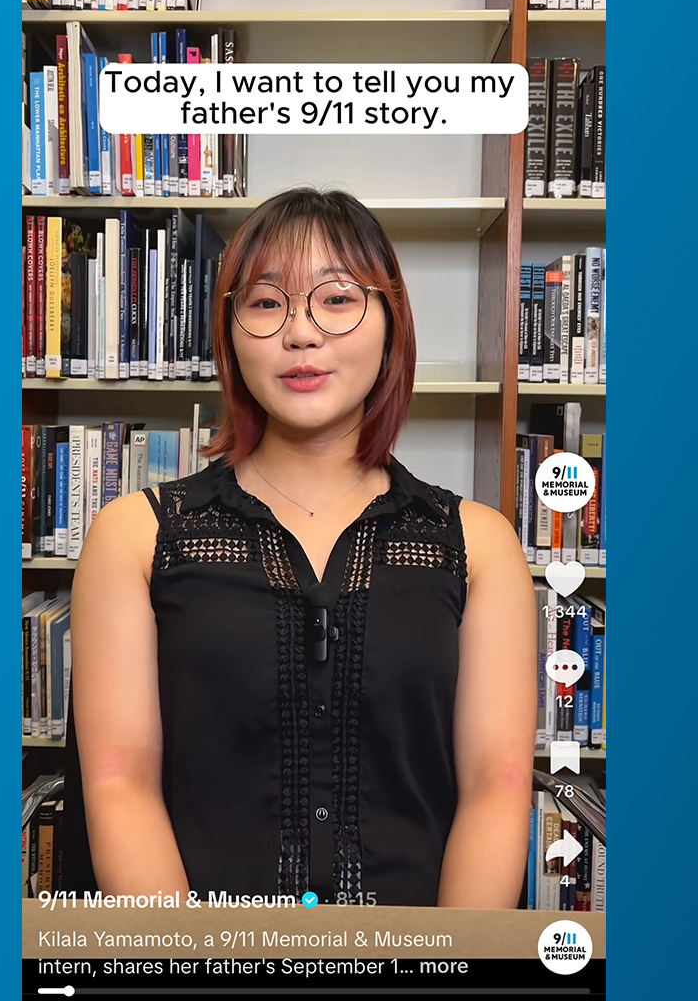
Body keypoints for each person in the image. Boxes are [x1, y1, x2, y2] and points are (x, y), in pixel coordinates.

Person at [71, 188, 536, 908]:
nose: (301, 334)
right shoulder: (135, 535)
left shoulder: (478, 545)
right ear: (228, 333)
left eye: (338, 299)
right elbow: (119, 780)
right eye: (265, 303)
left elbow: (497, 785)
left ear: (391, 324)